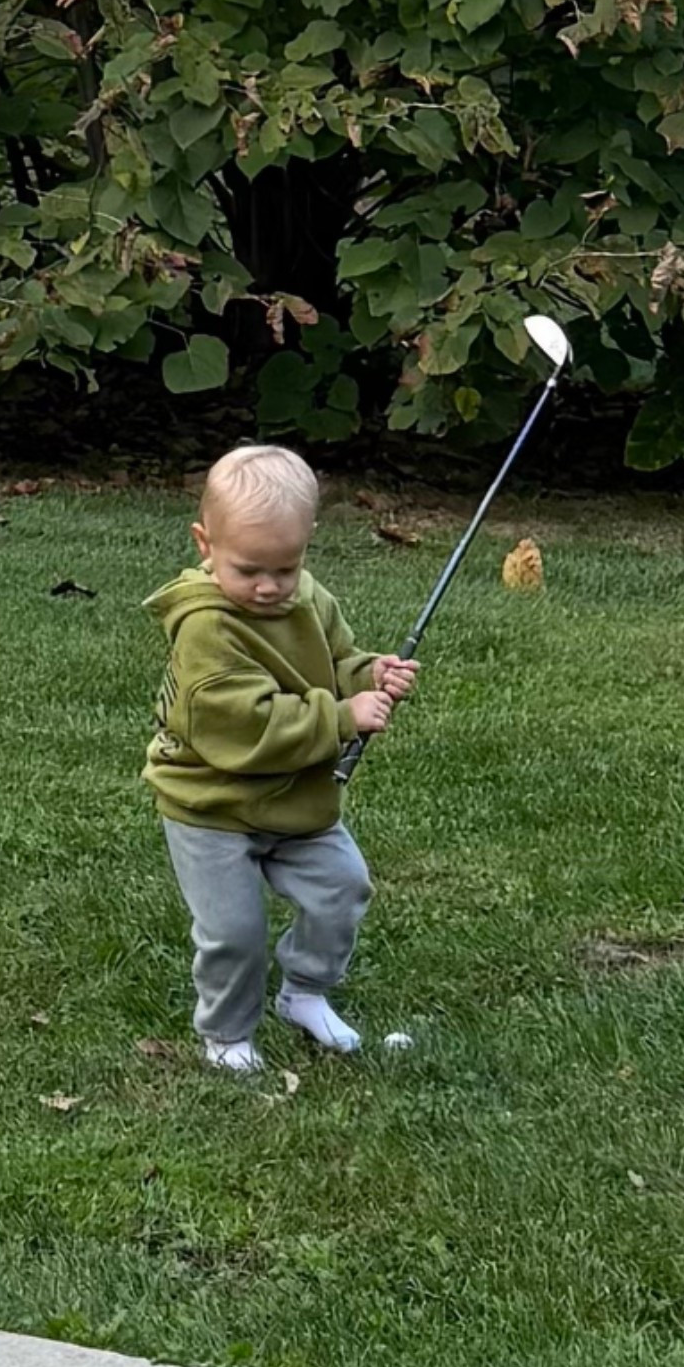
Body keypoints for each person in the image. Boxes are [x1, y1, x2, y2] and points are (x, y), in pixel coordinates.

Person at [143, 445, 417, 1072]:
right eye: (249, 570)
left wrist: (368, 672)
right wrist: (344, 717)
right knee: (234, 934)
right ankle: (227, 1036)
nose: (269, 587)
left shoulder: (306, 597)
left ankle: (305, 992)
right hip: (211, 804)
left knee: (342, 888)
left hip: (296, 798)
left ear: (305, 547)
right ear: (204, 544)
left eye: (285, 568)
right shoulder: (205, 631)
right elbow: (247, 725)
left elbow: (333, 662)